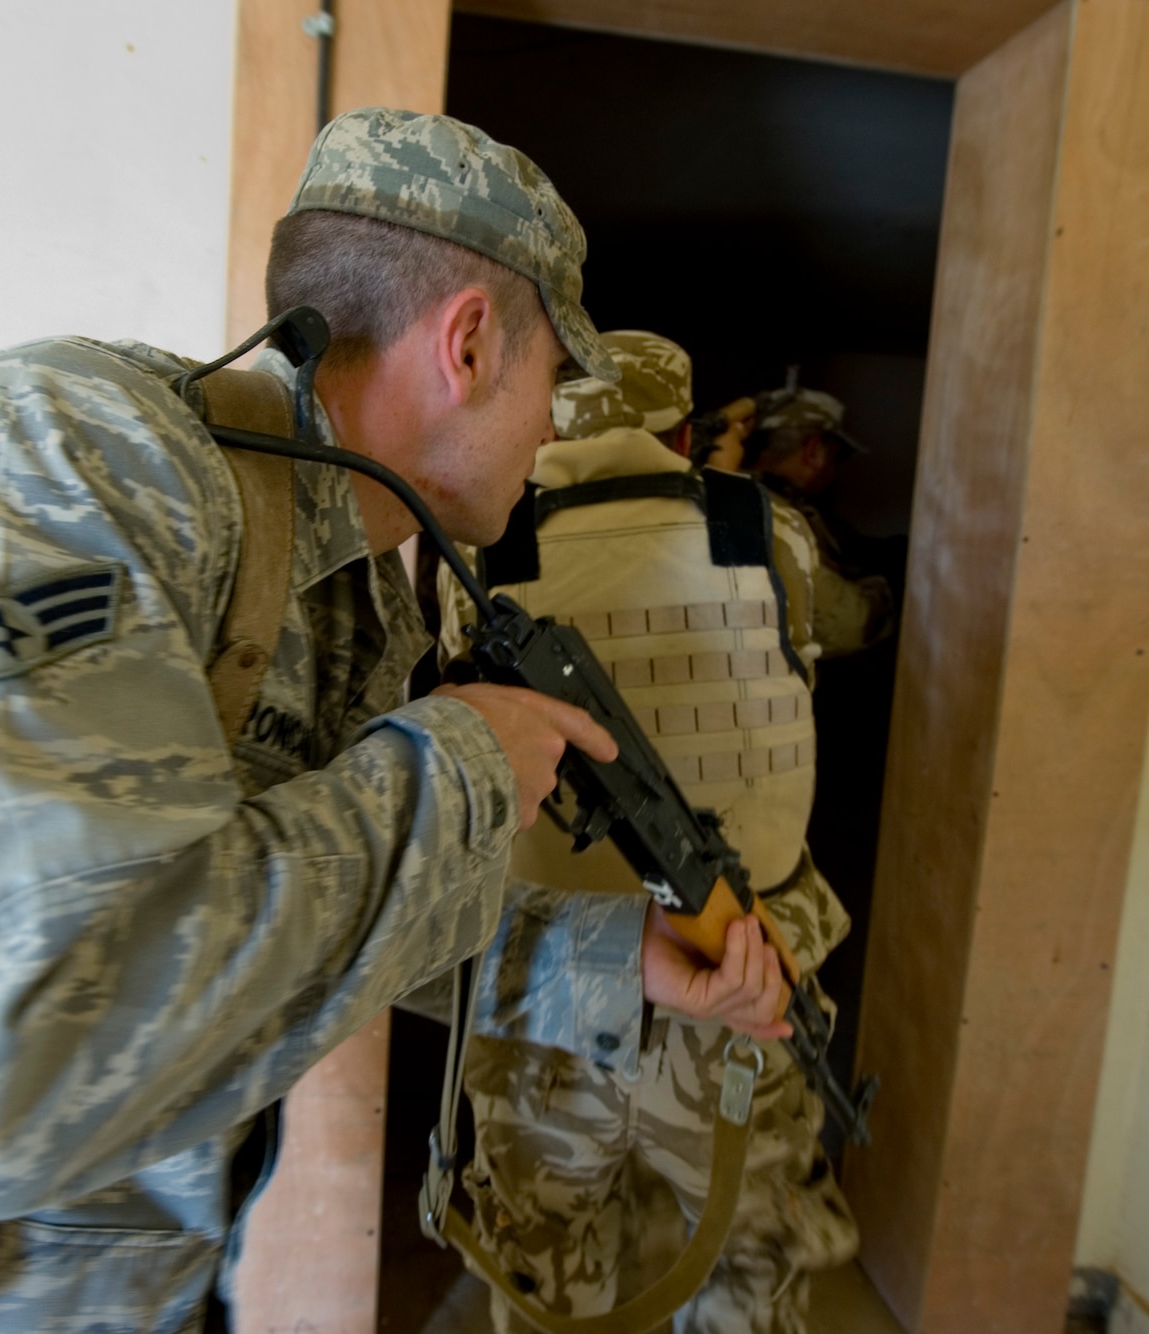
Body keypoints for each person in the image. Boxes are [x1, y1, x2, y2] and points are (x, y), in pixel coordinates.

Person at [0, 109, 788, 1334]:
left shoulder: (349, 576)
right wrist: (461, 769)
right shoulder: (58, 459)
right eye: (554, 381)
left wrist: (597, 959)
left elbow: (252, 911)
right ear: (468, 343)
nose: (551, 430)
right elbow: (3, 1084)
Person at [441, 331, 861, 1334]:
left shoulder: (476, 545)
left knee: (546, 1283)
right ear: (681, 427)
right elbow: (839, 631)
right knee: (742, 1281)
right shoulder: (773, 533)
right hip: (740, 984)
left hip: (543, 991)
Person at [743, 388, 895, 657]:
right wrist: (892, 589)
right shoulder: (770, 514)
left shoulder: (762, 502)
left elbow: (847, 545)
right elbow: (851, 624)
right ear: (813, 452)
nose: (834, 470)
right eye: (835, 456)